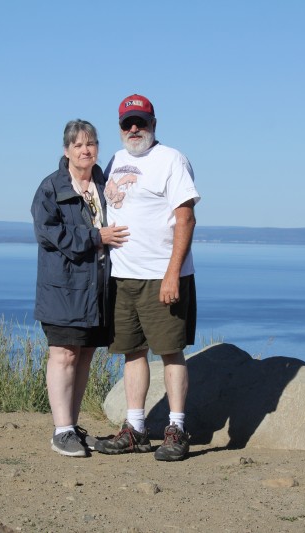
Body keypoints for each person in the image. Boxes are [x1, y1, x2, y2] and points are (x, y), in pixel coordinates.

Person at [94, 94, 200, 462]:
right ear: (120, 127)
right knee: (132, 352)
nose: (134, 128)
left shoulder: (172, 160)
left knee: (171, 352)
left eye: (140, 121)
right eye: (127, 123)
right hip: (123, 276)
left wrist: (172, 274)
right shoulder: (115, 160)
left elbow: (185, 219)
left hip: (162, 276)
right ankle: (136, 429)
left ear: (154, 123)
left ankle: (176, 429)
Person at [31, 119, 130, 457]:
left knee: (84, 354)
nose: (85, 150)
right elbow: (48, 234)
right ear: (66, 151)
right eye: (78, 145)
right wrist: (94, 237)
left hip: (95, 290)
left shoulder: (104, 184)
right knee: (63, 354)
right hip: (62, 288)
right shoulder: (51, 188)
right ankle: (61, 431)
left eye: (90, 144)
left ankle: (71, 427)